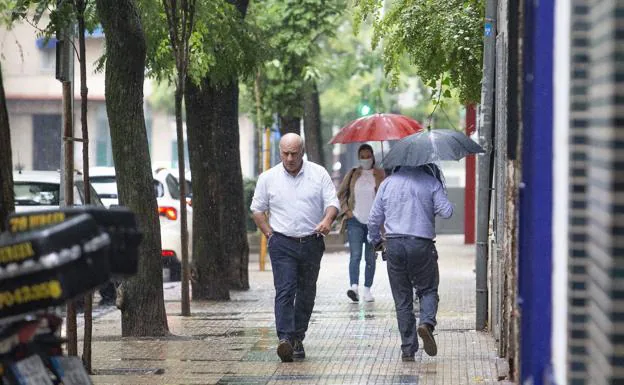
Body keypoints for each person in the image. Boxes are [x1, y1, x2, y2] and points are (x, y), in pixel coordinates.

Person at [250, 133, 339, 363]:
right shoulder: (268, 178)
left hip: (311, 241)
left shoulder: (318, 174)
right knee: (285, 290)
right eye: (285, 153)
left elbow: (332, 203)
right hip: (282, 243)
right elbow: (257, 210)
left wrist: (327, 220)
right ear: (280, 151)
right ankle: (285, 339)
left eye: (294, 153)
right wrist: (269, 233)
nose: (289, 158)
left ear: (302, 151)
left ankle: (298, 336)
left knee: (306, 292)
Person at [367, 164, 453, 361]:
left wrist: (376, 240)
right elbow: (447, 212)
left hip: (394, 245)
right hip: (421, 245)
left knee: (402, 298)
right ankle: (426, 324)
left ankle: (408, 348)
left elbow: (373, 219)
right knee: (428, 290)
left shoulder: (387, 183)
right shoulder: (430, 182)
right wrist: (437, 192)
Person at [336, 144, 385, 302]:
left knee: (370, 258)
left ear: (373, 156)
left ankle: (367, 289)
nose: (365, 159)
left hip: (373, 223)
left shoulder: (380, 175)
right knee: (355, 255)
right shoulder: (352, 174)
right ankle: (354, 287)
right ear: (359, 158)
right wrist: (347, 211)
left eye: (368, 156)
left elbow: (385, 197)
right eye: (362, 156)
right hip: (354, 221)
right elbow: (341, 194)